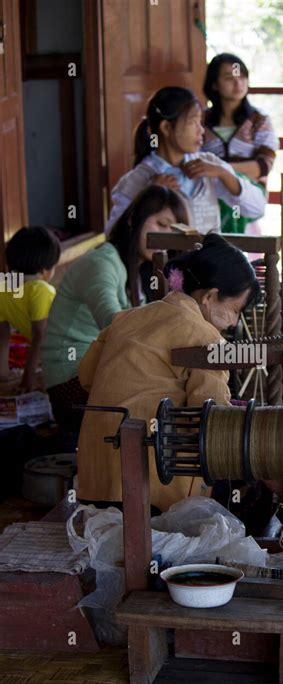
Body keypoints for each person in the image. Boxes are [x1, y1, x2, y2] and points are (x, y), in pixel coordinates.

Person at [76, 233, 261, 511]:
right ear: (210, 296)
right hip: (152, 493)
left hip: (95, 483)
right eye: (235, 310)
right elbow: (213, 420)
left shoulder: (129, 317)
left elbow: (86, 376)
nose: (234, 323)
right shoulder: (206, 337)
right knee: (255, 496)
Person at [41, 185, 188, 431]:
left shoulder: (142, 270)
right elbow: (114, 323)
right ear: (133, 219)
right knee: (164, 399)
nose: (165, 239)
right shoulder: (101, 263)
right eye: (161, 225)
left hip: (101, 368)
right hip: (71, 380)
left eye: (173, 231)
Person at [105, 87, 266, 236]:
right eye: (193, 122)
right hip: (165, 267)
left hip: (210, 264)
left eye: (200, 122)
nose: (201, 130)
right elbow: (113, 235)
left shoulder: (209, 165)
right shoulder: (137, 180)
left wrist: (225, 174)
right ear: (166, 128)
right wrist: (148, 197)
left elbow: (257, 208)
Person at [202, 53, 279, 232]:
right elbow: (193, 160)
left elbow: (263, 166)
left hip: (249, 194)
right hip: (208, 194)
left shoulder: (259, 120)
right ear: (214, 84)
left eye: (242, 77)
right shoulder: (200, 120)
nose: (238, 83)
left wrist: (219, 170)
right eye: (229, 78)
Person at [0, 227, 60, 393]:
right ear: (44, 270)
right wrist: (28, 380)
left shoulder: (3, 287)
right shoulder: (41, 290)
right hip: (65, 349)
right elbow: (41, 336)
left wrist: (3, 374)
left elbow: (2, 335)